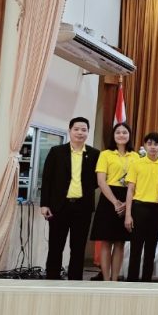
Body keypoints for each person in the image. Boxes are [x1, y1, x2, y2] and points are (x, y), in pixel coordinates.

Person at [39, 117, 100, 280]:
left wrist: (84, 189)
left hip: (83, 207)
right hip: (59, 206)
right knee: (55, 246)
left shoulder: (94, 154)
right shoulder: (56, 152)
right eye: (76, 129)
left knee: (78, 248)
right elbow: (47, 179)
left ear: (88, 132)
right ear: (70, 131)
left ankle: (75, 282)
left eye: (84, 130)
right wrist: (44, 204)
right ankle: (52, 279)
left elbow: (98, 180)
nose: (80, 133)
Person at [89, 122, 137, 281]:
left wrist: (126, 204)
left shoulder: (136, 156)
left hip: (128, 196)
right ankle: (106, 279)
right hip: (109, 198)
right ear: (113, 136)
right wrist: (115, 202)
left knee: (120, 242)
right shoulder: (105, 154)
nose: (121, 135)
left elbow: (137, 182)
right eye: (118, 132)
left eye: (125, 132)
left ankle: (115, 279)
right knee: (106, 241)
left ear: (129, 135)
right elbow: (101, 181)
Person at [124, 131, 158, 282]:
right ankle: (132, 280)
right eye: (149, 143)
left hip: (157, 209)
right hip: (139, 207)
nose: (153, 147)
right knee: (136, 247)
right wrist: (128, 214)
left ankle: (146, 281)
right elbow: (130, 190)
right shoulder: (136, 163)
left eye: (156, 144)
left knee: (151, 248)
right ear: (144, 145)